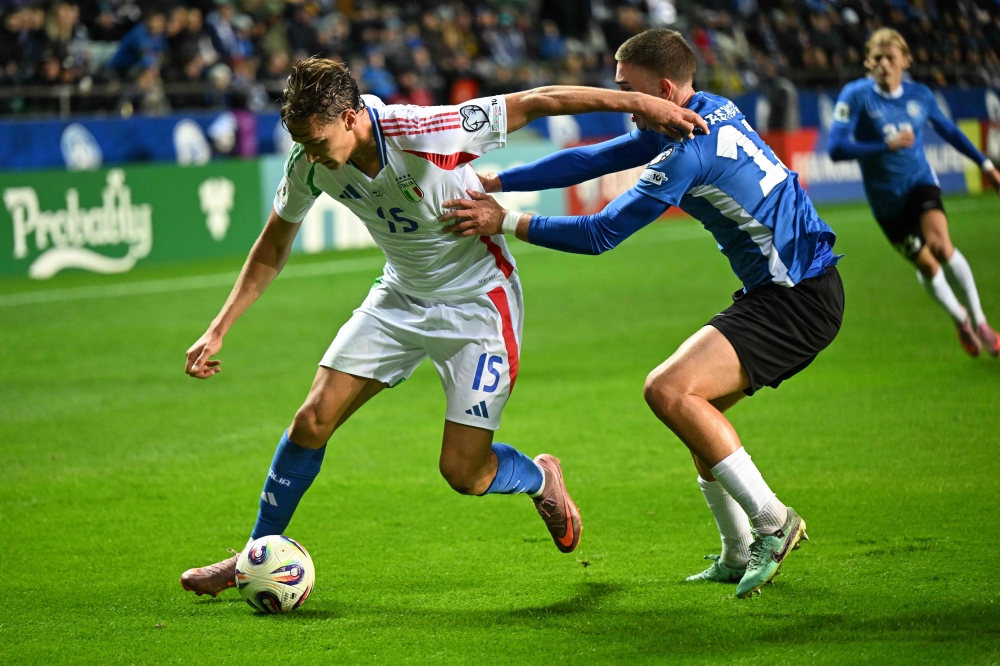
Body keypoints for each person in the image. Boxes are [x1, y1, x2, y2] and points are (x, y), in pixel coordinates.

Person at [178, 55, 708, 597]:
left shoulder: (426, 130)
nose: (311, 156)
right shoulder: (308, 161)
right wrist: (220, 328)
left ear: (351, 116)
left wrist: (642, 104)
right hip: (400, 296)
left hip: (477, 303)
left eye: (317, 143)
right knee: (312, 420)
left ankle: (540, 477)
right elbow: (273, 243)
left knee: (464, 472)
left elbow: (537, 102)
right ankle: (252, 558)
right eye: (303, 145)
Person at [440, 29, 842, 599]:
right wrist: (497, 179)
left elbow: (601, 232)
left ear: (665, 88)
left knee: (669, 391)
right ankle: (734, 553)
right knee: (696, 414)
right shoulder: (704, 112)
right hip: (791, 290)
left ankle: (773, 522)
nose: (621, 97)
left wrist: (504, 220)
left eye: (628, 88)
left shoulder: (688, 152)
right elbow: (598, 157)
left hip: (796, 298)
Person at [828, 28, 1000, 357]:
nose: (883, 64)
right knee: (927, 266)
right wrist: (884, 146)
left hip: (920, 181)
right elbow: (835, 148)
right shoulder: (855, 95)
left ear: (905, 60)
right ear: (867, 61)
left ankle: (981, 321)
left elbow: (948, 129)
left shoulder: (919, 96)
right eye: (876, 58)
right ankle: (960, 317)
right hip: (886, 200)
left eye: (890, 58)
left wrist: (985, 164)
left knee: (941, 246)